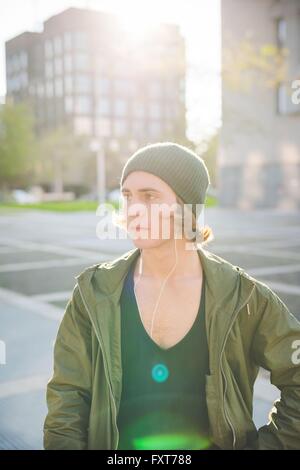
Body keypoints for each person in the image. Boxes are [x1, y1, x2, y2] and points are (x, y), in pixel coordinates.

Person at [43, 142, 300, 450]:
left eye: (149, 196)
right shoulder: (93, 292)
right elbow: (67, 399)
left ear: (187, 207)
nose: (133, 210)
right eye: (127, 197)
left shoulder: (242, 296)